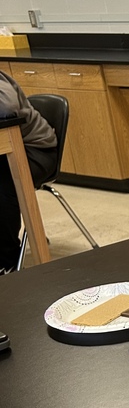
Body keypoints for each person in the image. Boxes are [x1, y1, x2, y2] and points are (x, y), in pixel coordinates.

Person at [0, 71, 57, 273]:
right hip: (6, 152)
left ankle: (7, 260)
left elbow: (7, 108)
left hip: (36, 151)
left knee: (3, 180)